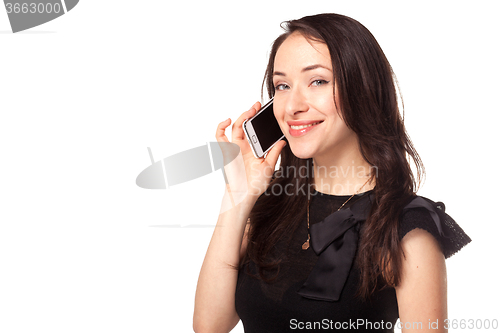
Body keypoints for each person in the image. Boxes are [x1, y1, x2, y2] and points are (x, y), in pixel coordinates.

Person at [193, 13, 471, 333]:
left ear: (362, 88)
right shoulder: (269, 207)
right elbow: (209, 325)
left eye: (318, 81)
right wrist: (238, 197)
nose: (291, 106)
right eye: (282, 85)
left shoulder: (406, 226)